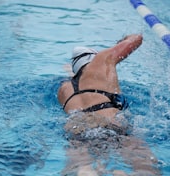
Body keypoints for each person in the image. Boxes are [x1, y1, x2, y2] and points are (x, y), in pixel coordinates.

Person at [58, 34, 161, 176]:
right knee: (147, 167)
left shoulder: (63, 89)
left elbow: (78, 78)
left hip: (77, 132)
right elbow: (136, 39)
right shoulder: (101, 60)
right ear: (94, 57)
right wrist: (121, 42)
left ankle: (87, 171)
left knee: (80, 167)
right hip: (109, 124)